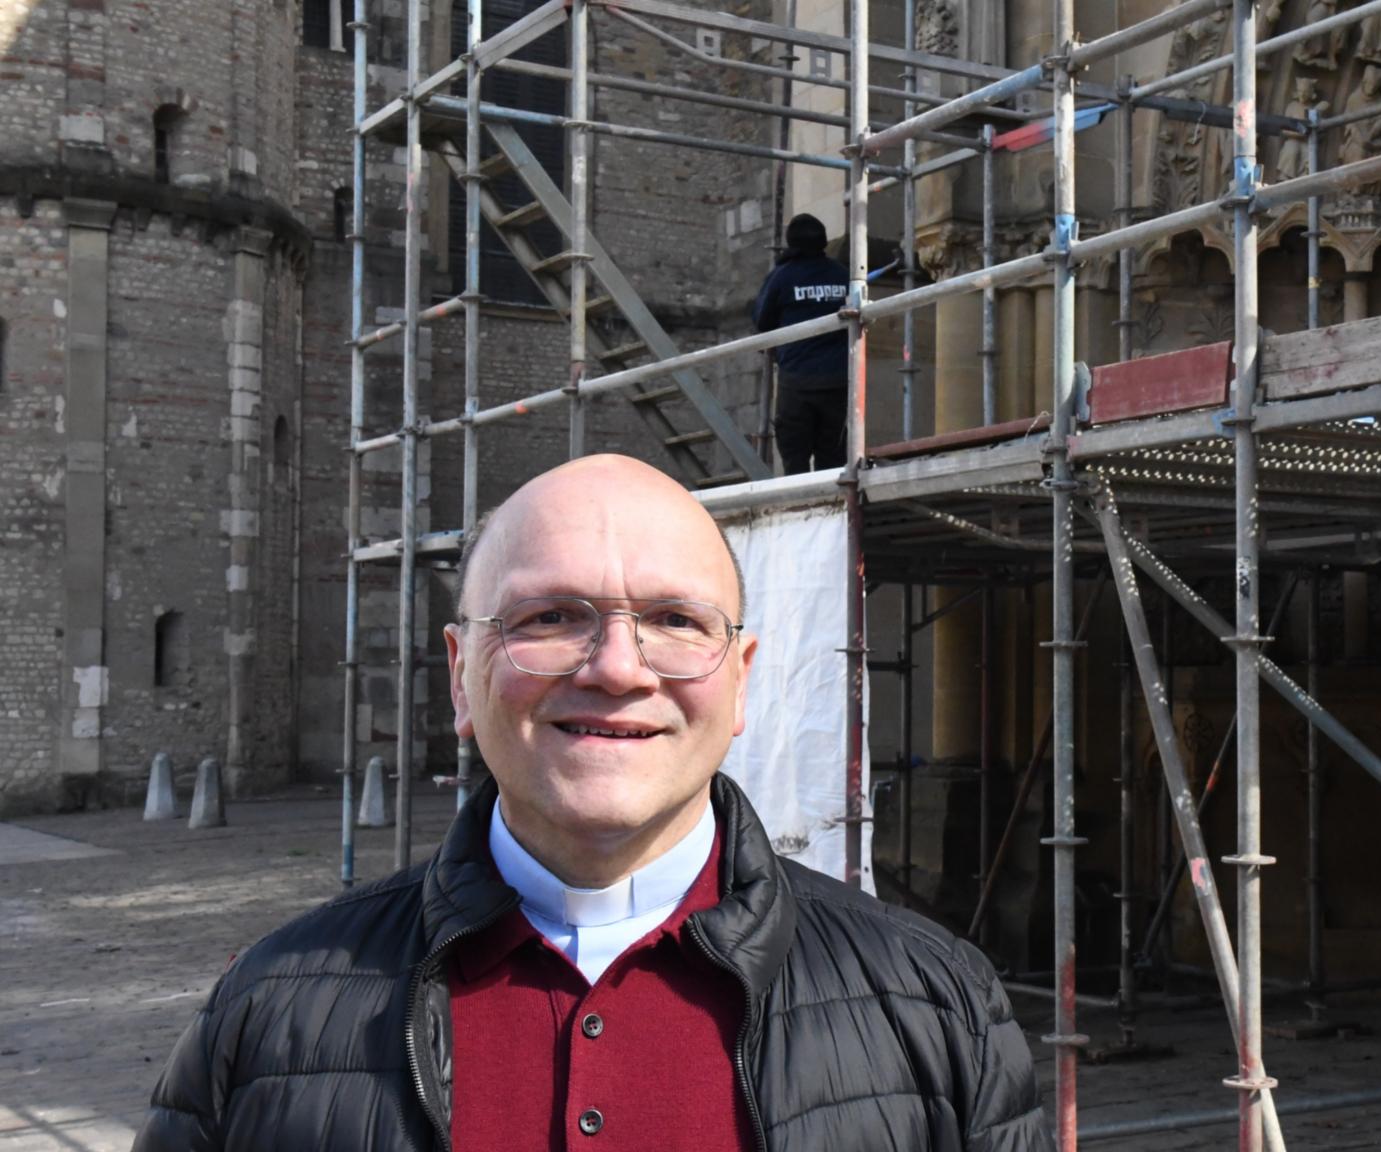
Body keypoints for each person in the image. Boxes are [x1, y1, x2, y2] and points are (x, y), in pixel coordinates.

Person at [133, 454, 1050, 1152]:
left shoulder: (936, 1004)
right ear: (460, 675)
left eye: (675, 621)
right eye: (550, 617)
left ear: (739, 682)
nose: (616, 668)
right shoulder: (270, 1012)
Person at [751, 213, 850, 474]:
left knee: (795, 461)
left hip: (797, 381)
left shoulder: (782, 276)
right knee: (834, 461)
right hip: (838, 381)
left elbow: (762, 320)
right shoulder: (842, 275)